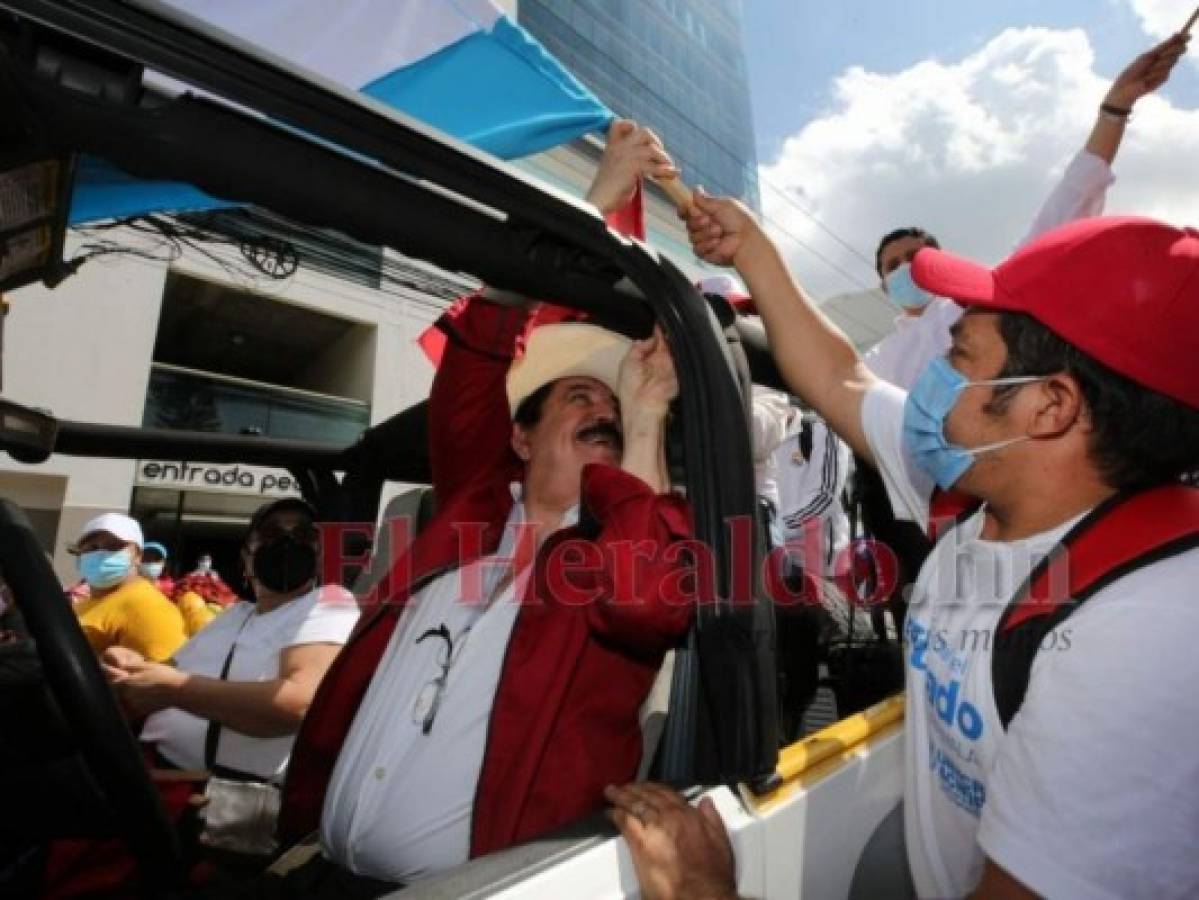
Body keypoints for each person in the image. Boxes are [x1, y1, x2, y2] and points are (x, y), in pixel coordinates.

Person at [620, 172, 1199, 893]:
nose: (930, 377)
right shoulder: (982, 484)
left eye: (958, 358)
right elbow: (843, 381)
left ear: (1049, 406)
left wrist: (705, 891)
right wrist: (754, 250)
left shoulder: (1144, 638)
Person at [865, 31, 1189, 390]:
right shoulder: (877, 363)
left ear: (941, 262)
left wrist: (1114, 109)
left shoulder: (985, 298)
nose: (906, 268)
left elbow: (1069, 203)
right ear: (883, 287)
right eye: (893, 266)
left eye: (914, 256)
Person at [104, 499, 360, 857]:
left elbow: (297, 703)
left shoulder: (327, 603)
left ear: (320, 555)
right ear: (246, 558)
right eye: (271, 534)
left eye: (304, 535)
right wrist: (134, 666)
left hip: (225, 815)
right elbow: (174, 670)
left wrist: (174, 690)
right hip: (159, 784)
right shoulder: (235, 614)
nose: (287, 544)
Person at [69, 512, 187, 662]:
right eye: (92, 547)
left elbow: (164, 677)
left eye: (114, 546)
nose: (100, 553)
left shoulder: (148, 608)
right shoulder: (89, 602)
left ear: (137, 556)